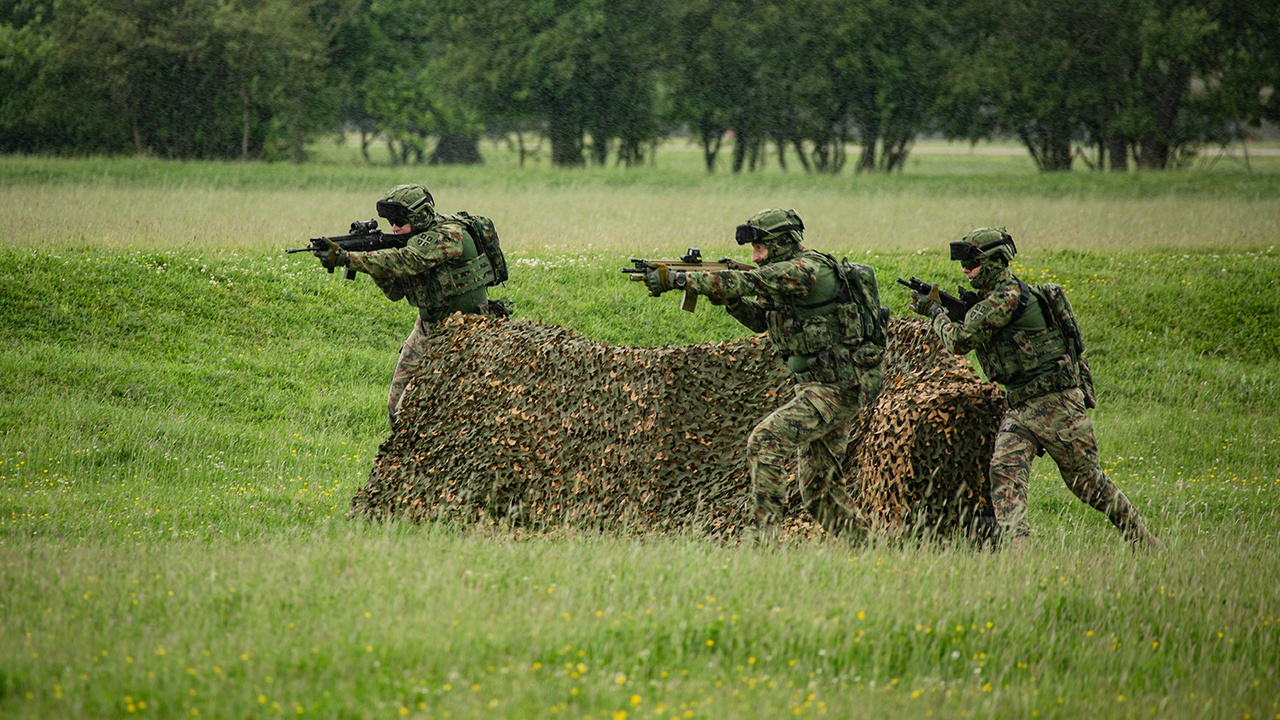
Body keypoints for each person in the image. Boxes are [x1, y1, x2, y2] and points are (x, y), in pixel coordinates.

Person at [644, 208, 887, 540]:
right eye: (753, 251)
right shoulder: (785, 277)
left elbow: (748, 281)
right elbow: (762, 320)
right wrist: (731, 303)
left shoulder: (806, 271)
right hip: (821, 387)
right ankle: (871, 550)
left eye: (761, 248)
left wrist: (678, 278)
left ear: (784, 243)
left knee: (765, 440)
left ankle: (763, 543)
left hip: (837, 387)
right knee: (820, 492)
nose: (756, 257)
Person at [911, 226, 1160, 549]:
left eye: (971, 262)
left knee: (1088, 484)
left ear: (994, 262)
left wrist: (935, 313)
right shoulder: (992, 300)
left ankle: (1144, 541)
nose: (965, 269)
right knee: (1004, 470)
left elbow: (960, 342)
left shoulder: (1007, 297)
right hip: (1023, 406)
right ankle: (1019, 554)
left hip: (1057, 404)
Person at [313, 183, 505, 425]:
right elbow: (395, 292)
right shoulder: (410, 241)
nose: (394, 227)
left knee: (412, 409)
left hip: (462, 331)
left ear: (420, 216)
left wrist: (349, 258)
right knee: (395, 409)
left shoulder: (450, 234)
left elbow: (408, 260)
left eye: (400, 220)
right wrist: (370, 258)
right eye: (391, 221)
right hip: (427, 326)